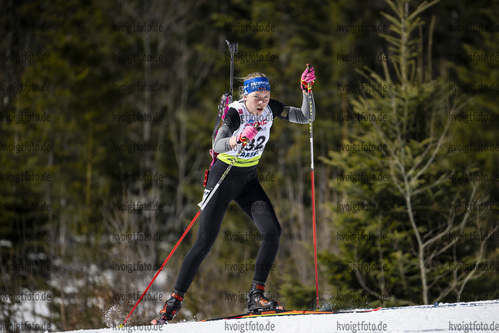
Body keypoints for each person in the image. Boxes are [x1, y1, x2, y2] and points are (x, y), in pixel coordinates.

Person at [153, 66, 316, 324]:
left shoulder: (271, 108)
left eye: (266, 96)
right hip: (223, 176)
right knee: (204, 242)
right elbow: (218, 143)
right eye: (257, 97)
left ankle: (256, 296)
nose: (262, 102)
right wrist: (237, 139)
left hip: (248, 180)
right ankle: (174, 302)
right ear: (246, 95)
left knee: (272, 232)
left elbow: (305, 117)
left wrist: (306, 91)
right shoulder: (235, 113)